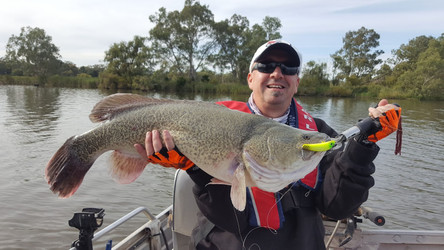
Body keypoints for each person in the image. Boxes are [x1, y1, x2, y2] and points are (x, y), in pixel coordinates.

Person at [134, 40, 401, 250]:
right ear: (250, 78)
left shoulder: (318, 135)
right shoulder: (214, 120)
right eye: (266, 66)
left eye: (289, 69)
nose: (277, 73)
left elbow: (338, 208)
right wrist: (198, 170)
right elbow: (232, 221)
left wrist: (362, 146)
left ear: (296, 82)